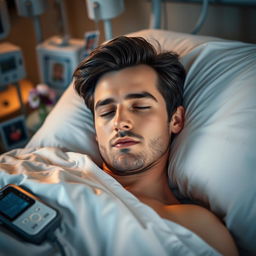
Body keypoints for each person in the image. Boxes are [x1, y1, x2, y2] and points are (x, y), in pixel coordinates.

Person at [73, 36, 238, 256]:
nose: (119, 121)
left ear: (175, 120)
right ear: (96, 132)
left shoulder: (197, 228)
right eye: (107, 112)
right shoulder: (51, 167)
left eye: (140, 106)